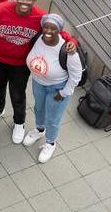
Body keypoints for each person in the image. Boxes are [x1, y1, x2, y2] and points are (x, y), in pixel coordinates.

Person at [0, 0, 76, 144]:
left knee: (17, 94)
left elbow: (61, 33)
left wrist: (72, 41)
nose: (25, 2)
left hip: (21, 64)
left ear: (35, 0)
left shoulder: (40, 17)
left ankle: (19, 122)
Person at [22, 14, 83, 163]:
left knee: (53, 118)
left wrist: (64, 92)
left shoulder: (67, 50)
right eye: (46, 27)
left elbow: (76, 75)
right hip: (38, 82)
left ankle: (50, 143)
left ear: (60, 30)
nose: (48, 31)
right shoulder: (37, 38)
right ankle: (40, 130)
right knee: (38, 109)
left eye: (53, 28)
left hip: (58, 88)